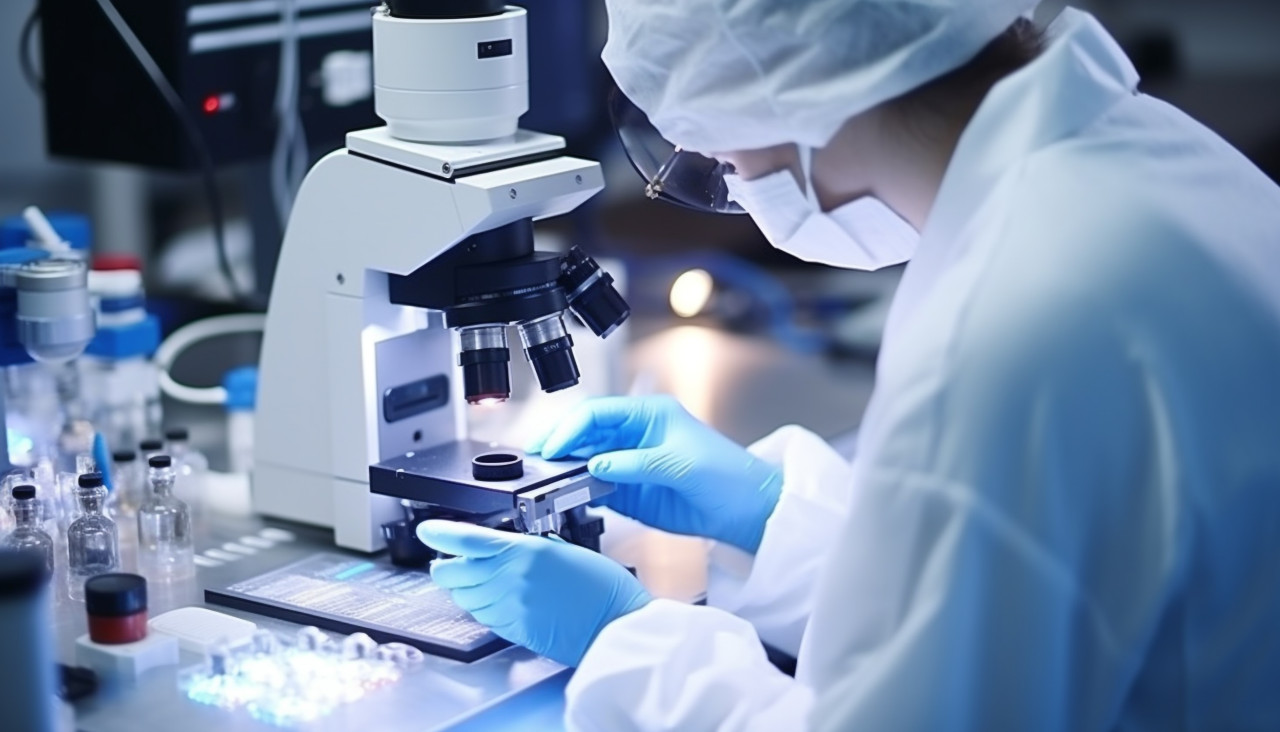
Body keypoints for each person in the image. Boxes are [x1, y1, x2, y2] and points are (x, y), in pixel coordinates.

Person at [419, 1, 1280, 729]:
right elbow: (1022, 593)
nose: (727, 176)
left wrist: (629, 638)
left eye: (711, 152)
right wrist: (773, 517)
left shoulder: (1009, 319)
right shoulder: (1156, 158)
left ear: (762, 84)